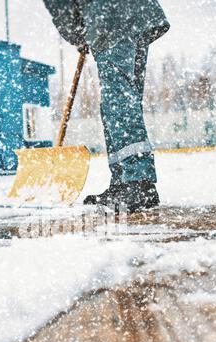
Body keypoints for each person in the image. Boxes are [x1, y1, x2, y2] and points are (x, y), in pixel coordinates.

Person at [43, 0, 170, 213]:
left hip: (110, 17)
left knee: (118, 101)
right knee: (125, 99)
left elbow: (61, 6)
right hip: (139, 13)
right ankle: (128, 181)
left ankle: (136, 182)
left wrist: (78, 37)